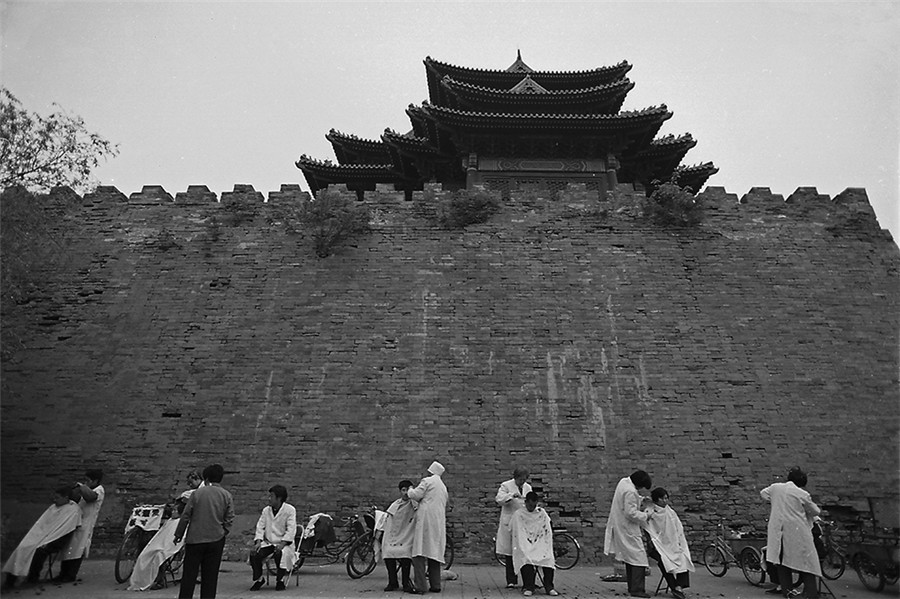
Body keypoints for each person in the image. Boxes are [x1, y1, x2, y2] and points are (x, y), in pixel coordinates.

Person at [1, 486, 82, 589]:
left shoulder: (73, 510)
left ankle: (33, 578)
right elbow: (41, 525)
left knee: (39, 551)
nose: (54, 500)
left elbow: (65, 530)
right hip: (42, 537)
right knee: (22, 548)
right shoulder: (53, 507)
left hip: (57, 540)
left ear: (66, 498)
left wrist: (48, 541)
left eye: (57, 498)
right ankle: (11, 580)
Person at [174, 464, 234, 599]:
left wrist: (178, 534)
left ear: (206, 478)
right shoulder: (226, 495)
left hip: (195, 539)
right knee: (210, 577)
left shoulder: (197, 494)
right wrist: (224, 531)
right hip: (216, 540)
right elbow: (229, 517)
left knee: (189, 576)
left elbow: (185, 516)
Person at [761, 467, 822, 598]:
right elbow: (815, 511)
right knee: (806, 562)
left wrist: (777, 501)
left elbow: (763, 494)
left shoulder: (775, 488)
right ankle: (811, 593)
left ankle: (787, 591)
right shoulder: (802, 494)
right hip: (797, 531)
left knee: (782, 561)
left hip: (778, 531)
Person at [604, 470, 654, 598]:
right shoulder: (631, 491)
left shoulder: (623, 482)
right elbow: (630, 513)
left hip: (620, 524)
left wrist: (641, 499)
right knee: (639, 558)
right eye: (641, 488)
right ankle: (637, 589)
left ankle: (633, 586)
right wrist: (646, 515)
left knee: (630, 558)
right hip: (627, 527)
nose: (640, 490)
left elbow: (627, 499)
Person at [127, 493, 190, 591]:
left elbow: (175, 540)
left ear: (180, 513)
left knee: (158, 556)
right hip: (159, 545)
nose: (172, 512)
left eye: (175, 510)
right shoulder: (170, 521)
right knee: (143, 556)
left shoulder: (180, 523)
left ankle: (159, 581)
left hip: (168, 547)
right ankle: (141, 581)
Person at [642, 488, 693, 599]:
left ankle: (680, 586)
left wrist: (679, 543)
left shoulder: (670, 512)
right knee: (663, 560)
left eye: (666, 498)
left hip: (672, 544)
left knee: (683, 557)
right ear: (657, 499)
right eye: (662, 498)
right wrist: (652, 543)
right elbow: (647, 528)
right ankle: (674, 586)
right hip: (657, 546)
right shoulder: (650, 512)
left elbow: (677, 527)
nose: (665, 501)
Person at [56, 468, 105, 582]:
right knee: (68, 550)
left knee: (77, 551)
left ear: (95, 481)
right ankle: (63, 574)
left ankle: (70, 575)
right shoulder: (86, 490)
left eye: (88, 480)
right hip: (76, 523)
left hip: (86, 525)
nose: (86, 482)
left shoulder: (99, 490)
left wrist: (82, 487)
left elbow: (90, 497)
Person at [407, 460, 448, 594]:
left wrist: (410, 489)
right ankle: (436, 585)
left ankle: (420, 586)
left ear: (430, 471)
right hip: (438, 522)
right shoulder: (443, 486)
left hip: (425, 521)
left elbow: (416, 495)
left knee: (418, 552)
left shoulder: (427, 481)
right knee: (434, 552)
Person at [249, 484, 297, 592]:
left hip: (284, 543)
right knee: (255, 553)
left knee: (279, 554)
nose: (269, 499)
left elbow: (291, 529)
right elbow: (260, 526)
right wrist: (258, 542)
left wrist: (283, 543)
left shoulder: (290, 510)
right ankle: (259, 579)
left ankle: (280, 580)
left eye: (271, 496)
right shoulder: (266, 510)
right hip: (269, 542)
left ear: (279, 498)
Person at [510, 492, 559, 597]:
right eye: (529, 505)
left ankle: (549, 587)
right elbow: (514, 530)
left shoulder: (541, 513)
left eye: (534, 505)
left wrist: (543, 542)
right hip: (525, 544)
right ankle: (529, 586)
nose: (531, 508)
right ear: (525, 502)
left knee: (548, 558)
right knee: (525, 556)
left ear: (537, 503)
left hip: (540, 543)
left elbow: (548, 528)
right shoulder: (519, 514)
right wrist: (524, 542)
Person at [495, 466, 532, 589]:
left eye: (524, 480)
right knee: (510, 552)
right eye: (520, 480)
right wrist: (511, 496)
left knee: (524, 551)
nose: (522, 482)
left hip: (523, 522)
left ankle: (528, 580)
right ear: (515, 478)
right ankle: (511, 580)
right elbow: (499, 499)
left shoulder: (528, 487)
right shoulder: (506, 485)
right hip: (510, 522)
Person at [380, 479, 417, 593]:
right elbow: (389, 522)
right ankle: (393, 582)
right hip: (394, 537)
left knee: (405, 553)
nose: (405, 493)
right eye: (403, 490)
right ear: (400, 491)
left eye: (408, 490)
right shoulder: (395, 505)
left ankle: (405, 582)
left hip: (408, 537)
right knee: (387, 551)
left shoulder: (415, 505)